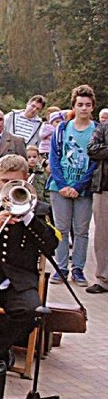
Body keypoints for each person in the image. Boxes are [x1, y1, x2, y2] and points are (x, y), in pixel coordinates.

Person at [0, 155, 57, 367]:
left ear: (26, 179)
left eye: (15, 182)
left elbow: (51, 246)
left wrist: (28, 218)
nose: (9, 187)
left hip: (20, 279)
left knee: (32, 311)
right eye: (5, 181)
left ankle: (0, 347)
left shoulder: (40, 210)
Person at [47, 85, 98, 285]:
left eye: (87, 105)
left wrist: (78, 186)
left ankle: (78, 268)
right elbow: (54, 157)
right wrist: (61, 184)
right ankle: (60, 267)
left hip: (84, 188)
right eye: (80, 105)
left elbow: (95, 162)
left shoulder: (97, 131)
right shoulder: (62, 129)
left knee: (81, 230)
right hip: (60, 186)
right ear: (74, 106)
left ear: (92, 107)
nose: (83, 108)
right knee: (60, 227)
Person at [87, 115, 108, 293]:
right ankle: (103, 279)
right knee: (102, 235)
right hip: (105, 188)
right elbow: (92, 150)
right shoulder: (102, 128)